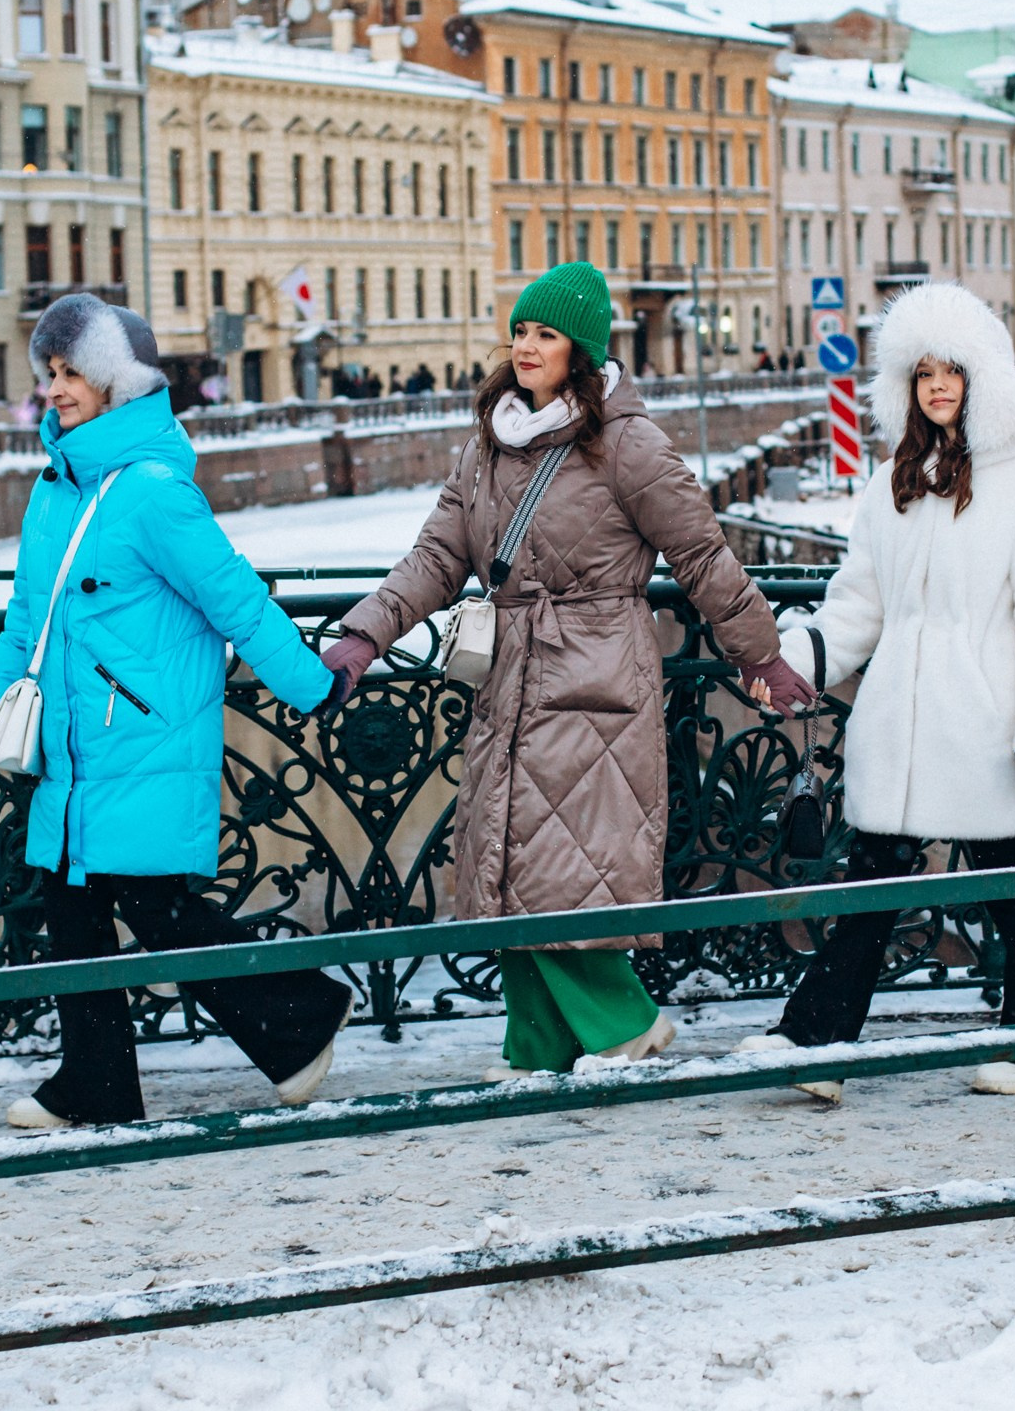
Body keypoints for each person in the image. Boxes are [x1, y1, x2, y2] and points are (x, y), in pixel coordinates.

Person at [321, 262, 813, 1079]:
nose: (526, 346)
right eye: (520, 330)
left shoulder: (628, 443)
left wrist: (757, 653)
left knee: (556, 872)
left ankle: (623, 1022)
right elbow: (439, 556)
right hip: (508, 675)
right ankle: (536, 1046)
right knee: (504, 861)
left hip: (593, 672)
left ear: (580, 351)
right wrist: (366, 634)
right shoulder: (486, 444)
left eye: (546, 334)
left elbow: (699, 554)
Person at [0, 293, 352, 1130]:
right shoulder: (59, 488)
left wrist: (313, 686)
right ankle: (105, 1079)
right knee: (73, 911)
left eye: (72, 374)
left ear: (114, 382)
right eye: (50, 373)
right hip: (70, 747)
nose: (55, 390)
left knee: (155, 909)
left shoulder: (154, 493)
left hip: (140, 739)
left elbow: (237, 602)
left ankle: (297, 1018)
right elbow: (29, 619)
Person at [734, 281, 1015, 1102]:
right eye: (923, 373)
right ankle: (819, 1039)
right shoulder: (892, 481)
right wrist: (795, 665)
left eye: (953, 371)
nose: (937, 387)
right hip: (898, 721)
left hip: (986, 721)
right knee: (878, 883)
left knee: (1011, 887)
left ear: (983, 378)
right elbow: (858, 605)